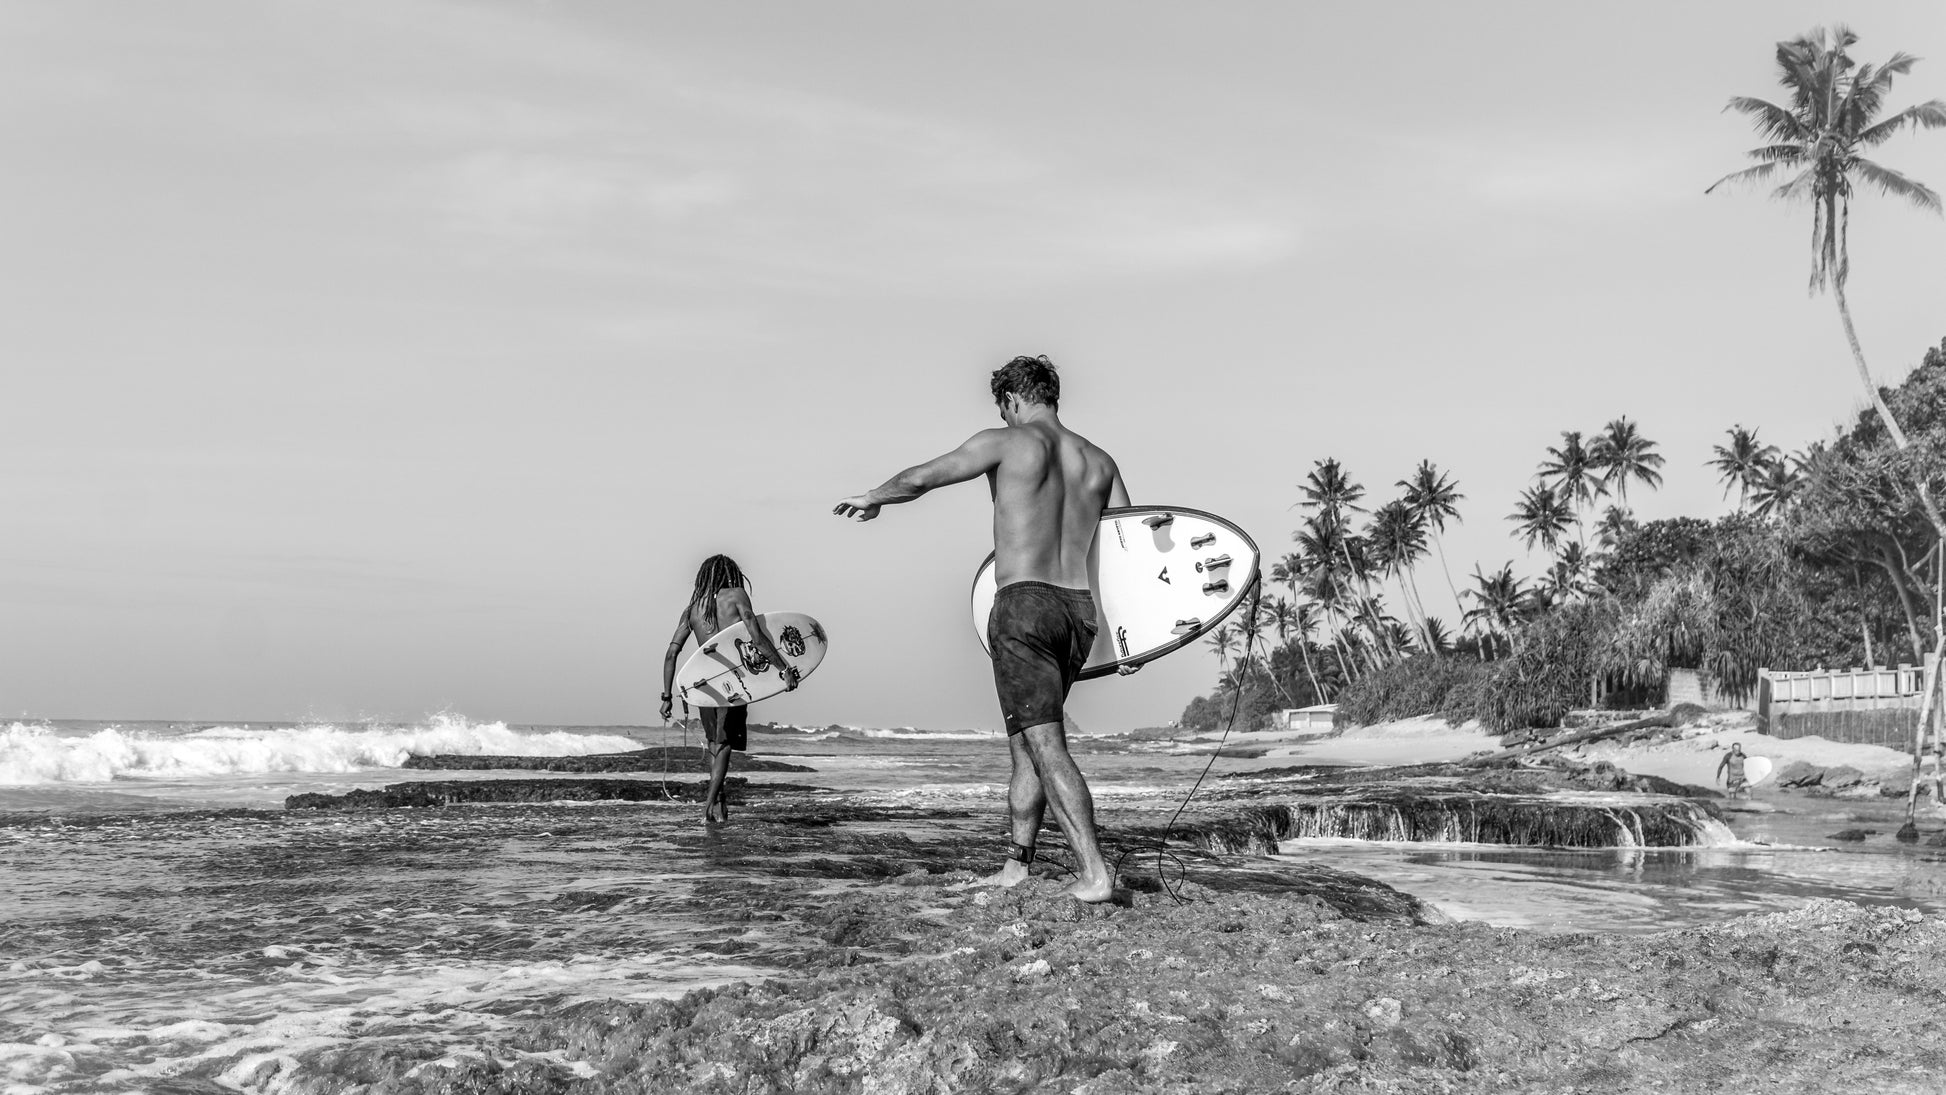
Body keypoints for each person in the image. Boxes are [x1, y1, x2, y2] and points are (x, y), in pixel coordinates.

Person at [833, 354, 1129, 902]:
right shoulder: (1100, 461)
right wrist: (1133, 642)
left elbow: (924, 478)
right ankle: (1018, 865)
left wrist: (874, 495)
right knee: (1026, 739)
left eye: (1004, 406)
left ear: (1013, 400)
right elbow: (1121, 553)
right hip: (1079, 613)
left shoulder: (1006, 442)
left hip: (1024, 604)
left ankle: (1095, 870)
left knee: (1046, 745)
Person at [660, 555, 798, 823]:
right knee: (723, 745)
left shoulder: (692, 609)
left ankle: (720, 807)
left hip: (703, 686)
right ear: (731, 574)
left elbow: (671, 653)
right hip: (733, 683)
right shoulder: (737, 595)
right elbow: (756, 636)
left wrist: (667, 696)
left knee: (714, 744)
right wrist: (783, 669)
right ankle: (708, 808)